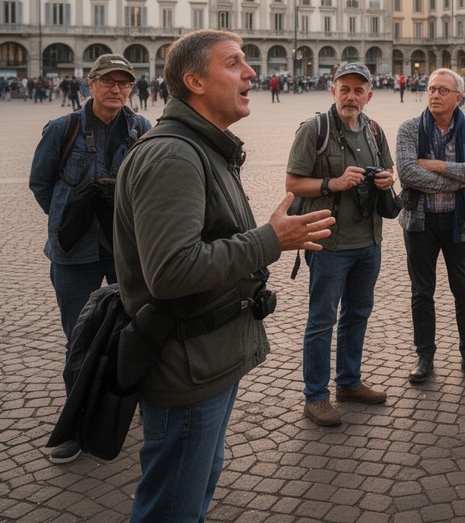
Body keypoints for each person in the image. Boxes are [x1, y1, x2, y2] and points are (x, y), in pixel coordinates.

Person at [115, 30, 333, 522]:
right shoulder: (173, 154)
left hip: (207, 357)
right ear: (193, 81)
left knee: (194, 489)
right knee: (172, 505)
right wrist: (271, 240)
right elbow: (171, 271)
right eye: (234, 63)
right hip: (186, 365)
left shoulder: (203, 147)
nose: (252, 72)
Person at [28, 53, 153, 463]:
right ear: (91, 84)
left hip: (125, 250)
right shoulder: (62, 129)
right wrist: (69, 218)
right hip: (74, 252)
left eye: (124, 84)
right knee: (78, 338)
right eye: (109, 82)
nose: (117, 89)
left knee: (133, 331)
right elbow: (41, 184)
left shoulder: (142, 129)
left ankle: (127, 406)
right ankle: (77, 426)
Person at [285, 62, 395, 426]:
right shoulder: (314, 130)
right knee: (321, 320)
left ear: (369, 95)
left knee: (357, 314)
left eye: (358, 90)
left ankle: (349, 382)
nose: (351, 96)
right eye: (344, 89)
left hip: (369, 241)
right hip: (328, 243)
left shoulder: (374, 130)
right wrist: (332, 183)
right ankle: (315, 396)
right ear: (333, 91)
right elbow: (292, 184)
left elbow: (390, 172)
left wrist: (385, 179)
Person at [396, 68, 465, 385]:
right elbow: (408, 173)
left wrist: (436, 166)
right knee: (421, 292)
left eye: (443, 90)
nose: (436, 95)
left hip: (459, 221)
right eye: (431, 88)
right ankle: (424, 355)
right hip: (420, 222)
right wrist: (456, 177)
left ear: (459, 98)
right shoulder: (410, 129)